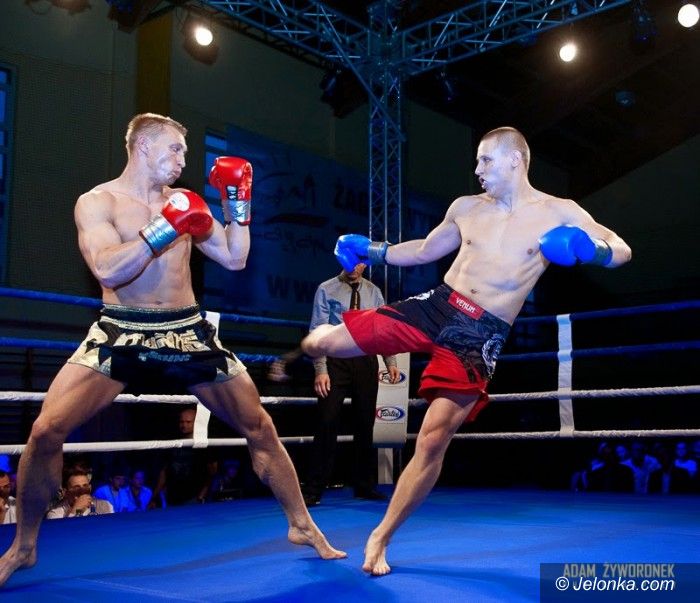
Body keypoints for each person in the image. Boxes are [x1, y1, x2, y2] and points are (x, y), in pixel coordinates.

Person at [0, 113, 344, 588]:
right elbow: (107, 269)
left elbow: (235, 257)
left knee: (260, 426)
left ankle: (301, 524)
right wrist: (164, 227)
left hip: (186, 331)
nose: (184, 159)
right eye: (175, 149)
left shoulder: (186, 202)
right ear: (143, 146)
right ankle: (24, 546)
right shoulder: (99, 202)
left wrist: (238, 204)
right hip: (122, 329)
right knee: (44, 431)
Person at [302, 126, 632, 575]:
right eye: (477, 160)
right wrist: (374, 251)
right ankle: (311, 345)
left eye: (486, 160)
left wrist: (589, 250)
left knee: (432, 440)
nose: (477, 169)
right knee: (325, 341)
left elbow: (622, 250)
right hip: (437, 305)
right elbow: (424, 250)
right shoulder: (466, 207)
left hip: (480, 333)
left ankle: (381, 537)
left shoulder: (559, 211)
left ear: (516, 160)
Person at [302, 264, 400, 506]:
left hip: (365, 359)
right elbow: (317, 331)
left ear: (365, 264)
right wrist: (321, 370)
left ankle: (364, 485)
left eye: (359, 262)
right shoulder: (326, 288)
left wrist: (391, 361)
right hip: (335, 360)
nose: (355, 267)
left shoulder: (374, 292)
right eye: (350, 261)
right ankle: (314, 488)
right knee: (326, 421)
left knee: (365, 423)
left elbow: (382, 328)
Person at [149, 407, 217, 507]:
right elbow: (164, 472)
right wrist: (154, 497)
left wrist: (201, 496)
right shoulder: (173, 443)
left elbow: (212, 472)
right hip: (172, 498)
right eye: (182, 422)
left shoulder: (204, 445)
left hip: (194, 498)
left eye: (188, 422)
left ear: (196, 423)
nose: (184, 425)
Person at [46, 467, 114, 519]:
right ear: (65, 492)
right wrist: (74, 511)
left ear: (90, 488)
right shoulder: (55, 514)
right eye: (76, 488)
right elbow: (64, 532)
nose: (82, 491)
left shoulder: (104, 506)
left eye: (85, 486)